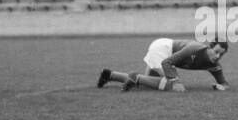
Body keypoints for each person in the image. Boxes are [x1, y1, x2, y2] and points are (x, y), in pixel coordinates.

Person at [98, 38, 230, 91]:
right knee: (171, 86)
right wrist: (176, 81)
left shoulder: (214, 65)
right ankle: (135, 77)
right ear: (209, 47)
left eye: (221, 55)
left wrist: (222, 87)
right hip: (162, 48)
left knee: (146, 86)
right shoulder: (195, 48)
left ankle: (109, 75)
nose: (218, 56)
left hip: (164, 51)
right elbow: (167, 62)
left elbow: (224, 83)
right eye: (216, 52)